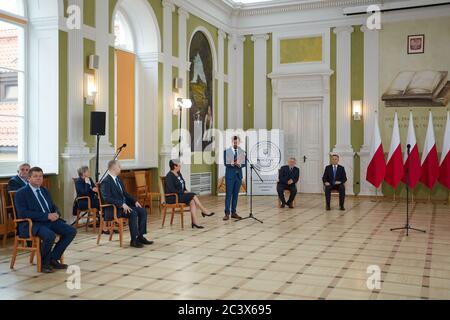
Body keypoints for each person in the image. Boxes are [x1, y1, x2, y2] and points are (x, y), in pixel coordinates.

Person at [14, 167, 77, 273]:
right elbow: (23, 213)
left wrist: (56, 213)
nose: (39, 179)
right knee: (50, 235)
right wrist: (46, 216)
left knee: (71, 231)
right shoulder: (21, 193)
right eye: (35, 176)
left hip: (49, 221)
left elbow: (52, 206)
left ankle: (53, 258)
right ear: (29, 178)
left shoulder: (44, 190)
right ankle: (44, 263)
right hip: (32, 224)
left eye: (41, 176)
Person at [100, 160, 153, 248]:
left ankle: (140, 236)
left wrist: (135, 201)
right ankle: (134, 240)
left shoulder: (118, 179)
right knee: (133, 213)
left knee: (143, 211)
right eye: (119, 166)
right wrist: (121, 204)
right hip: (114, 209)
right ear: (113, 168)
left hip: (124, 207)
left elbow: (125, 194)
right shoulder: (106, 181)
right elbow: (107, 198)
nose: (121, 168)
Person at [165, 160, 215, 229]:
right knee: (193, 195)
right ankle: (203, 210)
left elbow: (183, 186)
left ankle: (195, 223)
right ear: (174, 166)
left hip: (180, 195)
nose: (180, 166)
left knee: (192, 201)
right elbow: (172, 190)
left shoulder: (179, 173)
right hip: (173, 197)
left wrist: (185, 191)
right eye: (179, 165)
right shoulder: (169, 176)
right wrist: (183, 192)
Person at [223, 136, 246, 221]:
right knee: (228, 195)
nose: (235, 144)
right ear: (232, 142)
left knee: (236, 195)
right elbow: (226, 163)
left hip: (238, 176)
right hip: (230, 176)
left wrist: (240, 164)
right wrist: (231, 163)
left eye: (237, 142)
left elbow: (244, 163)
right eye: (234, 142)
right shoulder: (226, 151)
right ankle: (226, 213)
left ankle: (233, 212)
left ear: (239, 142)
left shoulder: (242, 152)